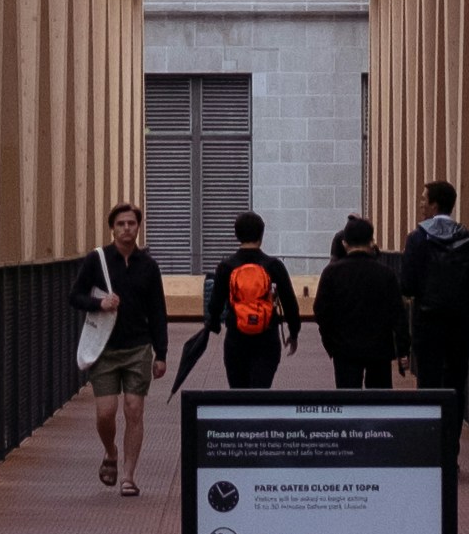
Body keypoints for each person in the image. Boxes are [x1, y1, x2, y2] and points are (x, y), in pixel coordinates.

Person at [76, 204, 170, 495]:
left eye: (131, 223)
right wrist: (99, 304)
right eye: (121, 223)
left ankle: (129, 476)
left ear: (138, 227)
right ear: (112, 228)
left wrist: (161, 353)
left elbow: (158, 310)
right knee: (106, 413)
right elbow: (74, 296)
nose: (127, 228)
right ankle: (110, 452)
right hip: (104, 347)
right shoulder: (97, 260)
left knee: (134, 409)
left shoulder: (148, 266)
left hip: (138, 347)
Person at [178, 209, 303, 394]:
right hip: (267, 340)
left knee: (238, 396)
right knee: (260, 395)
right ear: (262, 235)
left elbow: (215, 305)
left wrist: (213, 325)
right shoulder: (274, 266)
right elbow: (290, 303)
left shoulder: (226, 266)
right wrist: (294, 333)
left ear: (236, 235)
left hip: (236, 340)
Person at [396, 178, 469, 391]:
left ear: (434, 205)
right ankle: (452, 424)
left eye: (423, 199)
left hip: (428, 322)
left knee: (428, 380)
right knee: (456, 380)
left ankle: (431, 423)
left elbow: (407, 285)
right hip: (461, 323)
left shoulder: (416, 239)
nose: (420, 204)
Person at [310, 215, 407, 391]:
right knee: (379, 401)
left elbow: (321, 310)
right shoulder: (386, 273)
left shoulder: (331, 273)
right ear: (371, 242)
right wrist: (402, 349)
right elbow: (398, 314)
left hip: (344, 347)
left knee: (348, 400)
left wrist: (330, 343)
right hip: (379, 348)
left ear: (345, 243)